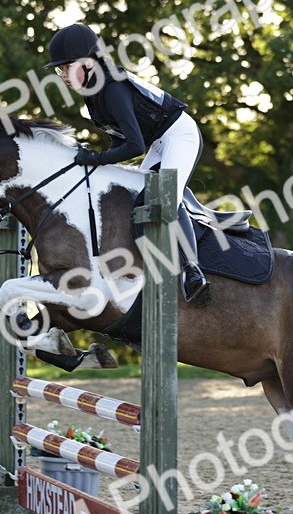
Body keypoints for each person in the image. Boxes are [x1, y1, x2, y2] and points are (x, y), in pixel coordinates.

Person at [45, 23, 211, 305]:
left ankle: (193, 271)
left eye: (67, 67)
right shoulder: (93, 91)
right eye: (59, 70)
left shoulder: (111, 89)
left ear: (88, 62)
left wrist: (97, 159)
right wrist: (98, 165)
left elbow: (134, 146)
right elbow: (118, 138)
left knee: (164, 199)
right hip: (158, 141)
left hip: (179, 135)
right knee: (135, 201)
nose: (63, 76)